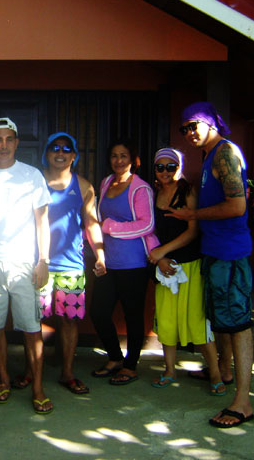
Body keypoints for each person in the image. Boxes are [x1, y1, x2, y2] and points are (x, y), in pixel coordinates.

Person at [168, 101, 254, 428]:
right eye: (184, 128)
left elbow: (236, 206)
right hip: (216, 252)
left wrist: (192, 214)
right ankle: (225, 371)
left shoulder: (224, 153)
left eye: (194, 125)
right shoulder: (210, 155)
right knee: (223, 321)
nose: (189, 132)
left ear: (211, 123)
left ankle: (243, 402)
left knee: (238, 325)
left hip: (230, 254)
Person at [0, 117, 54, 414]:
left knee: (31, 328)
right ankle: (4, 380)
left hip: (24, 261)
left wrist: (43, 260)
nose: (3, 145)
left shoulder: (31, 176)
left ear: (17, 143)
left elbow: (42, 221)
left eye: (9, 139)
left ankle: (38, 388)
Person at [14, 132, 106, 394]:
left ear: (74, 156)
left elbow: (91, 223)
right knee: (33, 321)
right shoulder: (34, 181)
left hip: (71, 264)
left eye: (66, 149)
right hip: (37, 263)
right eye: (55, 147)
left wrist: (100, 254)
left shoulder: (84, 186)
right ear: (47, 153)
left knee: (69, 320)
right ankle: (31, 371)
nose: (60, 152)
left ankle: (67, 373)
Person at [147, 148, 224, 394]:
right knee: (166, 321)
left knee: (197, 321)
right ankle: (169, 370)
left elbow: (192, 231)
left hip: (190, 264)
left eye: (171, 166)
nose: (165, 172)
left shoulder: (188, 191)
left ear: (179, 167)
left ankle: (215, 374)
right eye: (160, 167)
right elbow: (148, 230)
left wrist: (162, 251)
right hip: (165, 267)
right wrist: (159, 259)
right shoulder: (153, 194)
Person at [90, 139, 159, 385]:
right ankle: (115, 357)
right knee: (98, 311)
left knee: (133, 316)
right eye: (114, 156)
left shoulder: (141, 189)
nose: (118, 161)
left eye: (123, 156)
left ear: (133, 160)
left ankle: (130, 366)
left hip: (133, 264)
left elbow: (147, 225)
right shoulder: (106, 182)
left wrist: (110, 227)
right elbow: (97, 217)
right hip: (108, 262)